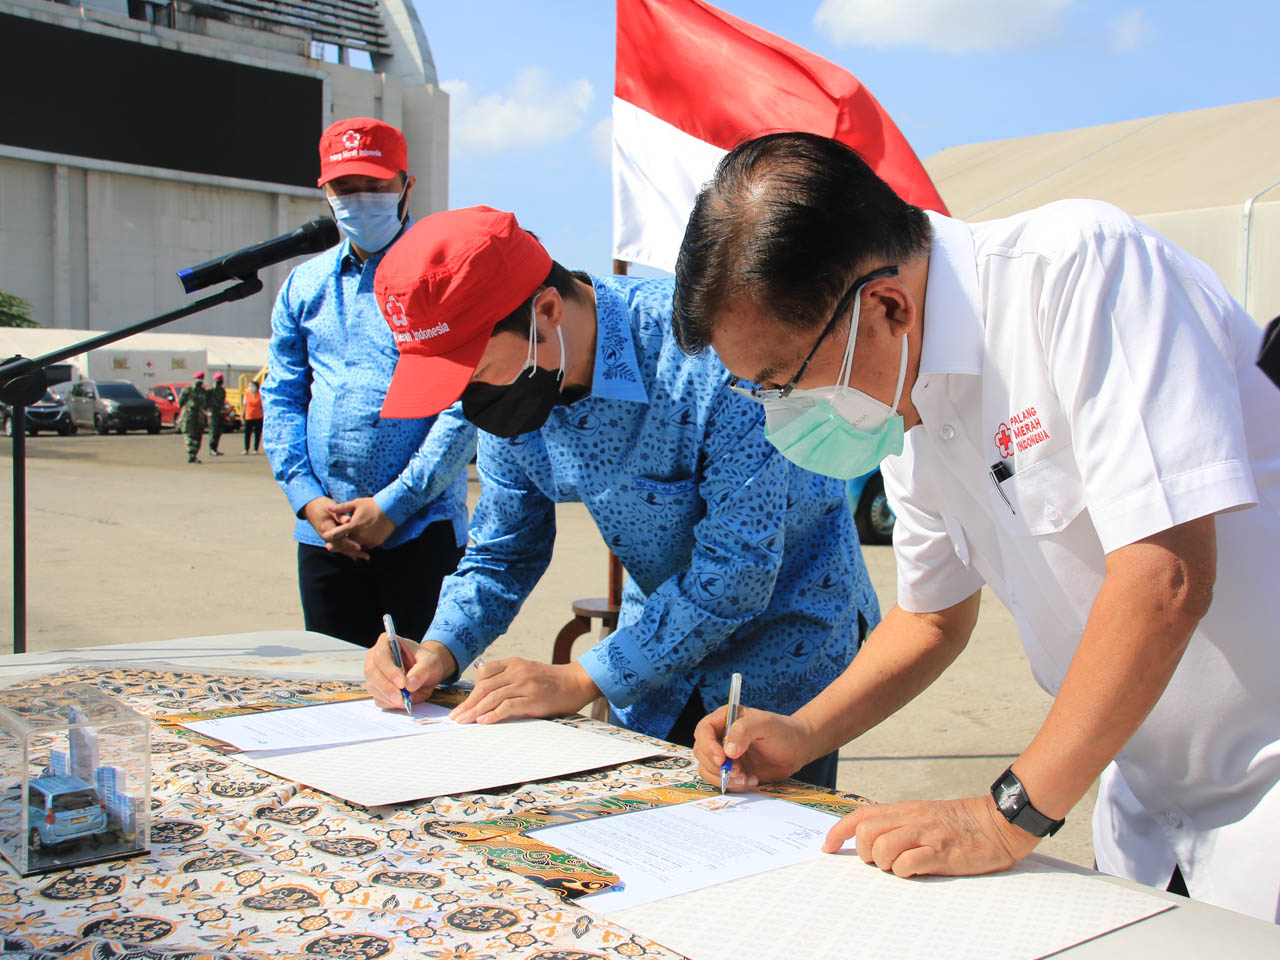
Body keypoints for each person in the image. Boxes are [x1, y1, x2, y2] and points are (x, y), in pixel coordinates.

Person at [675, 132, 1280, 921]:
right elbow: (929, 619)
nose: (778, 415)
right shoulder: (899, 390)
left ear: (884, 306)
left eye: (782, 383)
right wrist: (798, 731)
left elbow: (1164, 577)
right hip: (1149, 811)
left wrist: (1005, 816)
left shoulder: (1079, 272)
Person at [360, 206, 881, 787]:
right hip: (653, 653)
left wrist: (580, 680)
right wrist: (439, 648)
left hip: (781, 651)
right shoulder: (507, 397)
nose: (465, 399)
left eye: (473, 370)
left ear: (547, 312)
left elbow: (739, 569)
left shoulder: (711, 353)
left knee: (766, 842)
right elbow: (503, 552)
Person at [262, 117, 476, 648]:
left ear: (407, 186)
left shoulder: (444, 278)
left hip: (419, 529)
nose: (361, 199)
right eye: (345, 187)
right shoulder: (304, 285)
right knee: (335, 692)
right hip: (325, 533)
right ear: (326, 192)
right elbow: (283, 394)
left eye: (376, 186)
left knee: (423, 696)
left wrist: (392, 507)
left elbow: (465, 403)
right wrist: (306, 498)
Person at [176, 371, 207, 464]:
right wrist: (185, 410)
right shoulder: (188, 389)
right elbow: (181, 402)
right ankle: (191, 453)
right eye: (198, 379)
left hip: (199, 417)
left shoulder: (203, 391)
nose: (199, 381)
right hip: (188, 416)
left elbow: (205, 404)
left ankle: (194, 454)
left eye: (201, 379)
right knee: (188, 434)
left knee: (198, 436)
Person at [206, 372, 226, 456]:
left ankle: (215, 448)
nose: (220, 381)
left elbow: (222, 402)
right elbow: (205, 400)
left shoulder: (222, 390)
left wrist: (223, 410)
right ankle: (212, 449)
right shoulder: (210, 390)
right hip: (213, 413)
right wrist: (207, 410)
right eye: (219, 380)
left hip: (220, 413)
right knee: (213, 431)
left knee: (218, 431)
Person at [241, 379, 263, 454]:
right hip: (249, 416)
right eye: (250, 386)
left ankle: (255, 449)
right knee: (247, 434)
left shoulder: (260, 394)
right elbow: (244, 405)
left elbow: (263, 406)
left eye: (252, 386)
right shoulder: (247, 394)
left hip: (258, 416)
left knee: (257, 434)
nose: (250, 387)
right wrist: (242, 415)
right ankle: (246, 449)